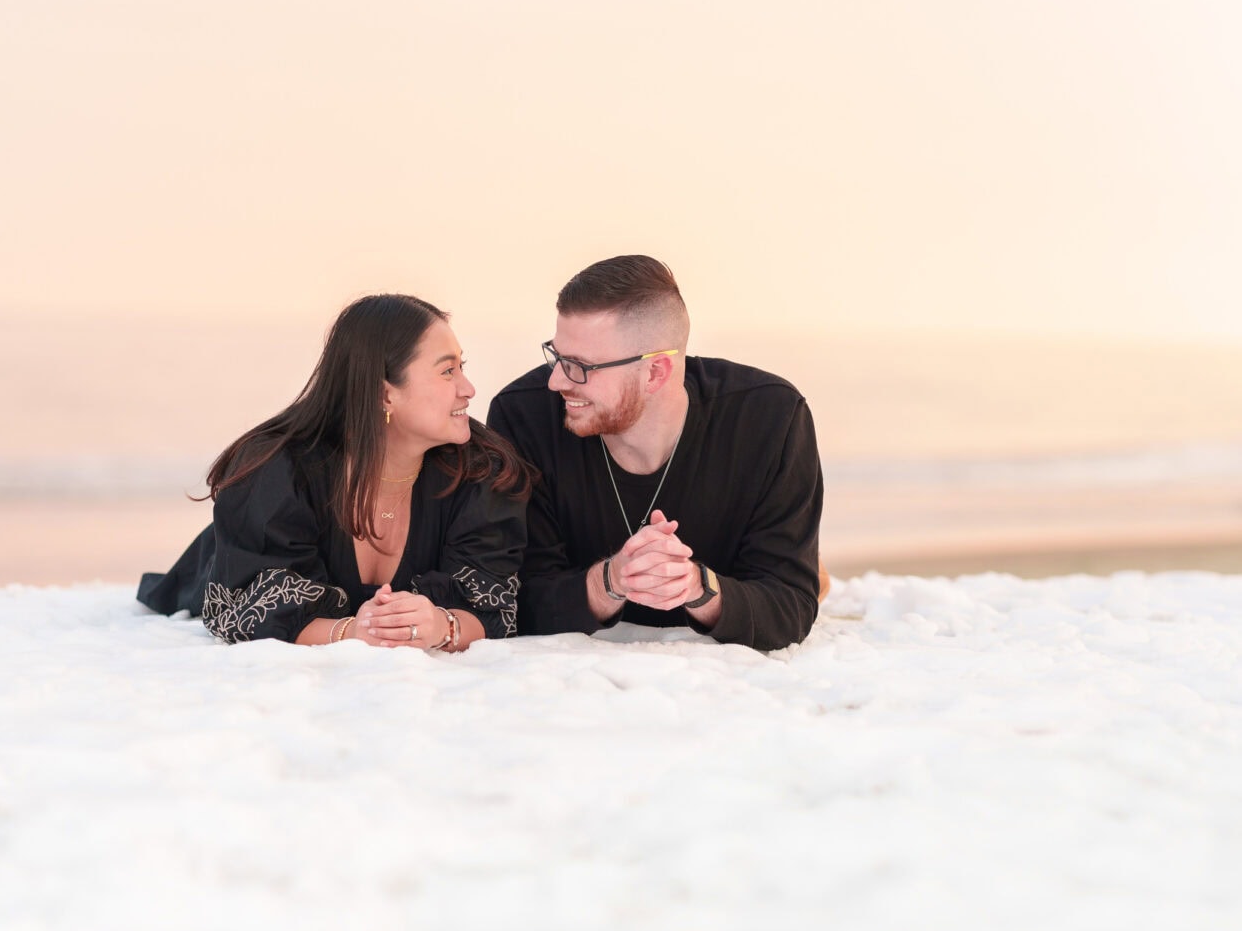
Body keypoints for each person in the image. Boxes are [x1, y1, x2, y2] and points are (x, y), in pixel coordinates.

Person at [139, 294, 530, 649]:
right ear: (383, 393)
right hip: (241, 556)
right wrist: (353, 632)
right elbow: (247, 614)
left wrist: (443, 626)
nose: (469, 389)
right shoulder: (278, 474)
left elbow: (494, 608)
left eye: (462, 367)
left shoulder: (479, 471)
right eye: (448, 372)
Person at [486, 255, 825, 651]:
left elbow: (791, 606)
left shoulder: (770, 416)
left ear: (656, 373)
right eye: (556, 356)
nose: (557, 380)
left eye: (579, 365)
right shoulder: (522, 416)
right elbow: (509, 600)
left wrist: (696, 586)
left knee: (816, 577)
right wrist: (612, 580)